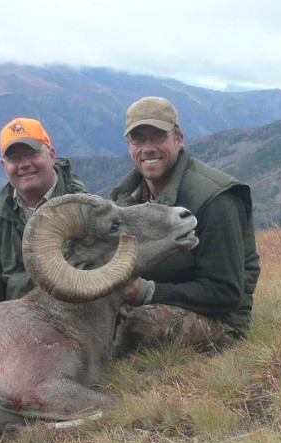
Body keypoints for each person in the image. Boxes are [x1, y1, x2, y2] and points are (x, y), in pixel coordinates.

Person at [109, 96, 260, 352]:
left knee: (135, 327)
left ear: (178, 140)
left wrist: (146, 292)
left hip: (219, 319)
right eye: (138, 139)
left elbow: (225, 292)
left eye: (157, 137)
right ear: (129, 146)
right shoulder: (127, 198)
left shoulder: (217, 200)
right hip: (151, 299)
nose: (147, 148)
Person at [0, 117, 87, 305]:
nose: (24, 164)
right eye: (14, 158)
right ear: (3, 165)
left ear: (52, 154)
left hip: (74, 318)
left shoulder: (84, 208)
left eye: (32, 153)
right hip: (14, 327)